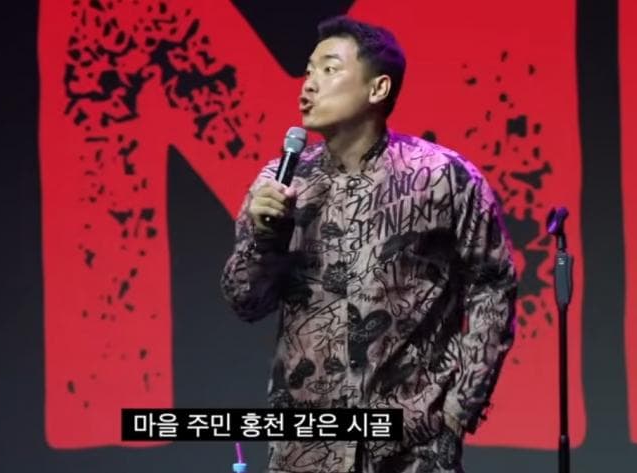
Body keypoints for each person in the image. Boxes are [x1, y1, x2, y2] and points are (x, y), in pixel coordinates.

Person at [220, 15, 517, 473]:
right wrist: (265, 236)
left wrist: (459, 409)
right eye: (308, 71)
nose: (309, 84)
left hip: (409, 448)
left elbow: (493, 287)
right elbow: (245, 301)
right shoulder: (281, 183)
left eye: (329, 69)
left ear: (378, 88)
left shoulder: (442, 177)